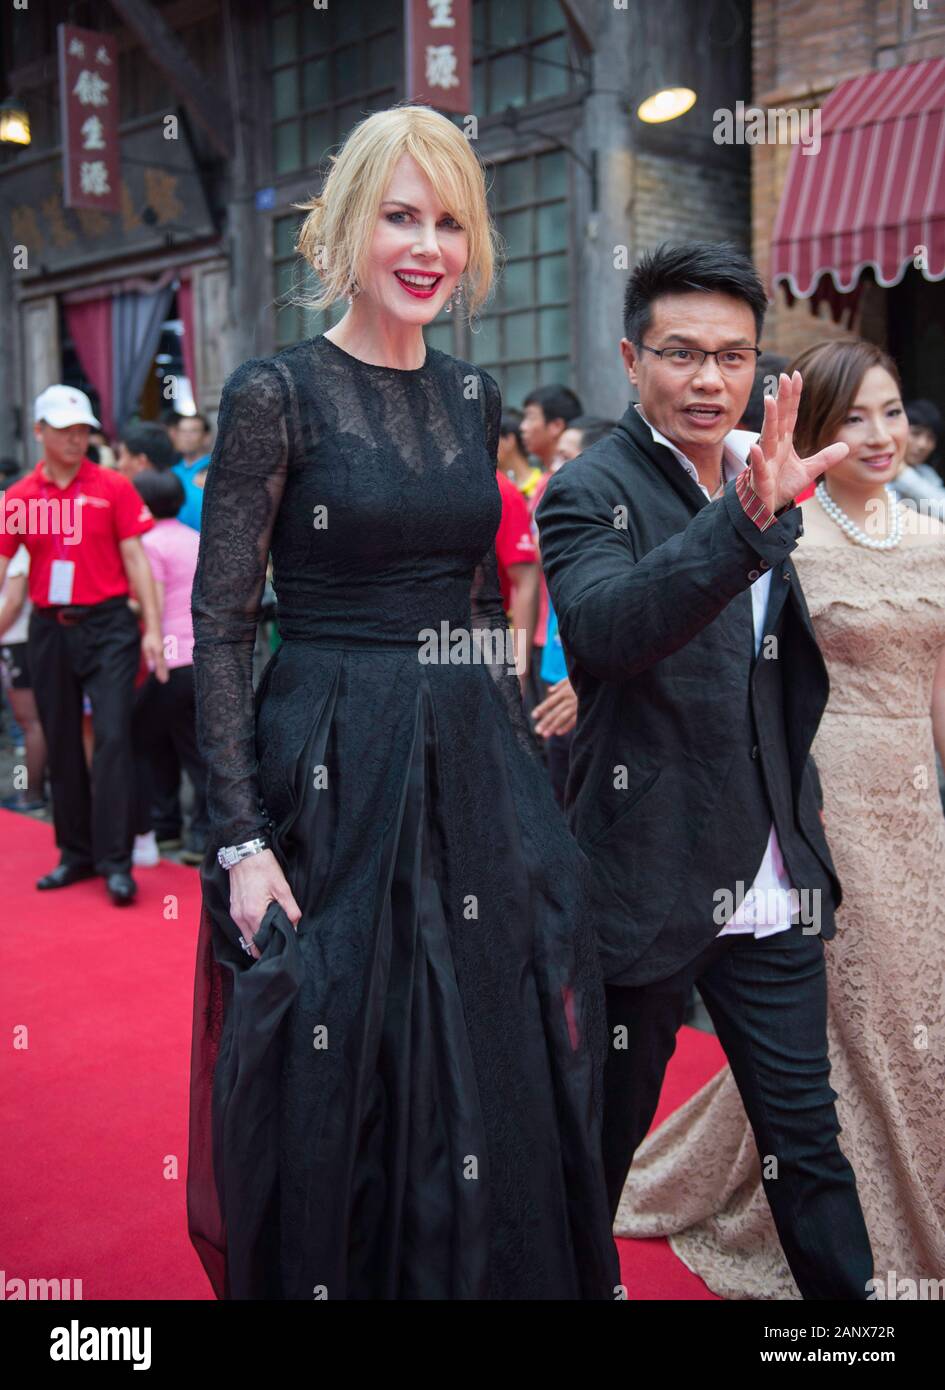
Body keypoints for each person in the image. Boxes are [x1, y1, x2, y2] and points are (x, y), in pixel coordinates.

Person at [186, 103, 619, 1301]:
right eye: (400, 217)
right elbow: (219, 623)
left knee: (489, 1040)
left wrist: (521, 761)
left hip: (467, 754)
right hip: (326, 755)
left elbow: (479, 599)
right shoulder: (276, 394)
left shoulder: (476, 396)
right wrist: (236, 837)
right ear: (344, 229)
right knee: (348, 1052)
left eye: (449, 223)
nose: (427, 246)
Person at [536, 242, 874, 1299]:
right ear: (631, 357)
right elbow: (607, 627)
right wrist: (744, 522)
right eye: (682, 353)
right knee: (603, 1134)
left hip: (769, 873)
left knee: (805, 1140)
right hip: (647, 868)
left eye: (734, 355)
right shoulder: (588, 489)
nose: (709, 378)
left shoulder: (758, 464)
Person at [614, 336, 945, 1297]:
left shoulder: (934, 537)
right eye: (851, 418)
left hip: (911, 810)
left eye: (890, 412)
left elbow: (935, 688)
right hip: (817, 799)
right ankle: (860, 1242)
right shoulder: (776, 531)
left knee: (911, 1010)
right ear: (807, 428)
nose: (878, 435)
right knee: (851, 1019)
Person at [0, 385, 168, 905]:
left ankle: (117, 861)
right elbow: (4, 566)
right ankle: (75, 853)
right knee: (62, 738)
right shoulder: (20, 498)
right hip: (50, 628)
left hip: (110, 626)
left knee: (114, 736)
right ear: (40, 433)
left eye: (83, 431)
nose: (77, 440)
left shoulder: (114, 486)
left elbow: (137, 559)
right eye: (66, 430)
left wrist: (155, 632)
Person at [533, 417, 615, 807]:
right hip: (556, 670)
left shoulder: (614, 527)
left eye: (566, 457)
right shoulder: (560, 515)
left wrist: (587, 680)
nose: (553, 469)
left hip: (589, 690)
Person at [130, 469, 209, 868]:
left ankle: (174, 827)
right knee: (191, 746)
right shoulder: (195, 539)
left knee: (152, 744)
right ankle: (187, 829)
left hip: (166, 659)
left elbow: (153, 604)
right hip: (200, 656)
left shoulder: (148, 544)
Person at [0, 543, 47, 812]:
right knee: (30, 721)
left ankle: (32, 796)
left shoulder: (17, 549)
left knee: (30, 722)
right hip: (17, 640)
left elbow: (15, 601)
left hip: (19, 641)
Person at [171, 413, 211, 532]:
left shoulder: (215, 471)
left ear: (206, 437)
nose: (186, 436)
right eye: (182, 432)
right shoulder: (171, 472)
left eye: (193, 431)